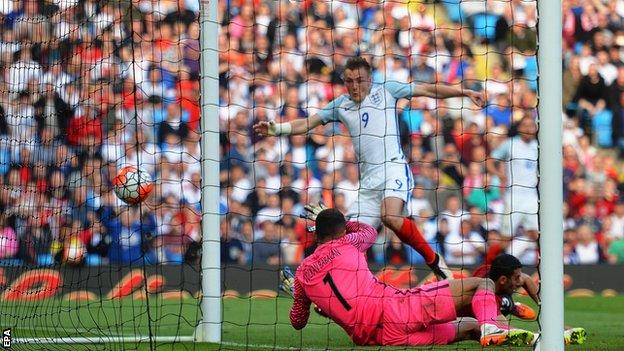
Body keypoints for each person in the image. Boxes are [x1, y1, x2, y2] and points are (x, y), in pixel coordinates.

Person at [254, 57, 486, 279]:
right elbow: (307, 123)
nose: (355, 86)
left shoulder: (387, 90)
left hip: (393, 169)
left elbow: (428, 90)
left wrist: (465, 92)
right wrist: (277, 129)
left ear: (370, 80)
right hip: (368, 185)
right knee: (348, 240)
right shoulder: (341, 105)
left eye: (360, 80)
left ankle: (435, 262)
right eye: (349, 81)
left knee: (390, 217)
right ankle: (345, 290)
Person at [288, 206, 535, 347]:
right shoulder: (348, 243)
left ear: (316, 233)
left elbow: (298, 322)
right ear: (341, 231)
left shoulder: (301, 274)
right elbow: (368, 231)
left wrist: (301, 299)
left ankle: (529, 338)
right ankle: (496, 324)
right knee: (483, 283)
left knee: (471, 328)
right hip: (397, 308)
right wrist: (347, 222)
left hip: (379, 338)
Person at [470, 254, 586, 346]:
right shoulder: (484, 293)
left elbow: (526, 279)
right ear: (503, 280)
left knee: (525, 312)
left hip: (502, 296)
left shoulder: (496, 273)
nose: (520, 281)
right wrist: (540, 335)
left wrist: (554, 323)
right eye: (516, 278)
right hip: (485, 310)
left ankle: (511, 305)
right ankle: (511, 306)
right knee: (499, 326)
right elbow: (505, 331)